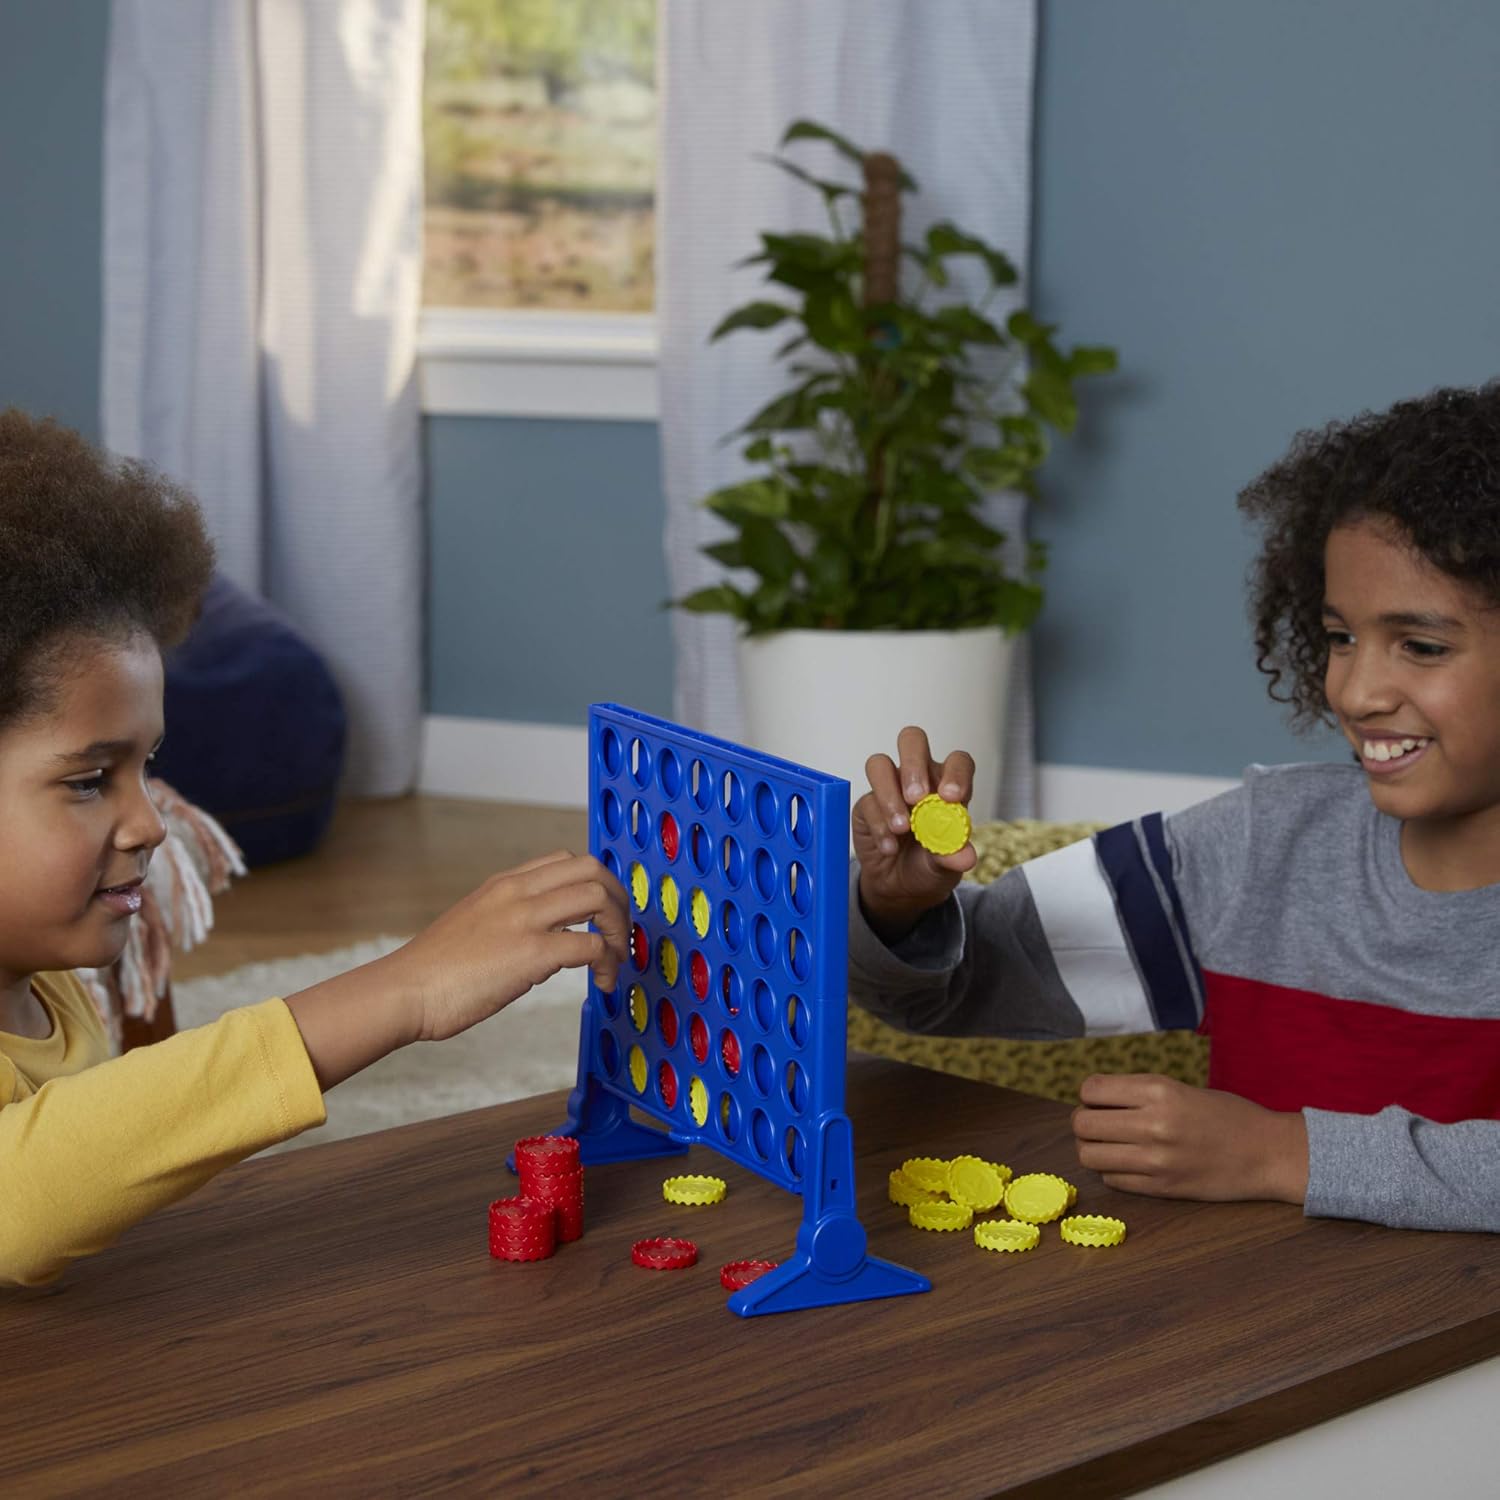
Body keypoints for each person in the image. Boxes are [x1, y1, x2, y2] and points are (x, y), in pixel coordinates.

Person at [849, 381, 1500, 1233]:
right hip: (1257, 1340)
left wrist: (1279, 1153)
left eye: (1420, 646)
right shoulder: (1260, 850)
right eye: (1341, 636)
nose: (1358, 688)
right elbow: (953, 992)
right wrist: (901, 908)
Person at [0, 410, 628, 1286]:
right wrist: (402, 988)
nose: (149, 822)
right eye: (86, 781)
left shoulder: (43, 984)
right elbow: (16, 1200)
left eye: (146, 768)